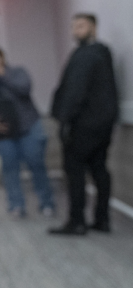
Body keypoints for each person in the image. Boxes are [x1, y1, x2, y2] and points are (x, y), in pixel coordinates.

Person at [49, 13, 119, 235]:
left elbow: (75, 91)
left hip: (83, 125)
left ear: (93, 28)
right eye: (74, 27)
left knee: (75, 171)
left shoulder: (85, 55)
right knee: (100, 170)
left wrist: (65, 119)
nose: (75, 31)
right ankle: (102, 219)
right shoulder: (103, 52)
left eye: (80, 26)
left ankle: (77, 221)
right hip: (103, 124)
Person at [0, 48, 55, 218]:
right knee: (9, 169)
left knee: (36, 165)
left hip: (28, 127)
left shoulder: (17, 72)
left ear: (3, 58)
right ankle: (16, 205)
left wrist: (2, 75)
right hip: (4, 132)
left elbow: (24, 89)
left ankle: (46, 203)